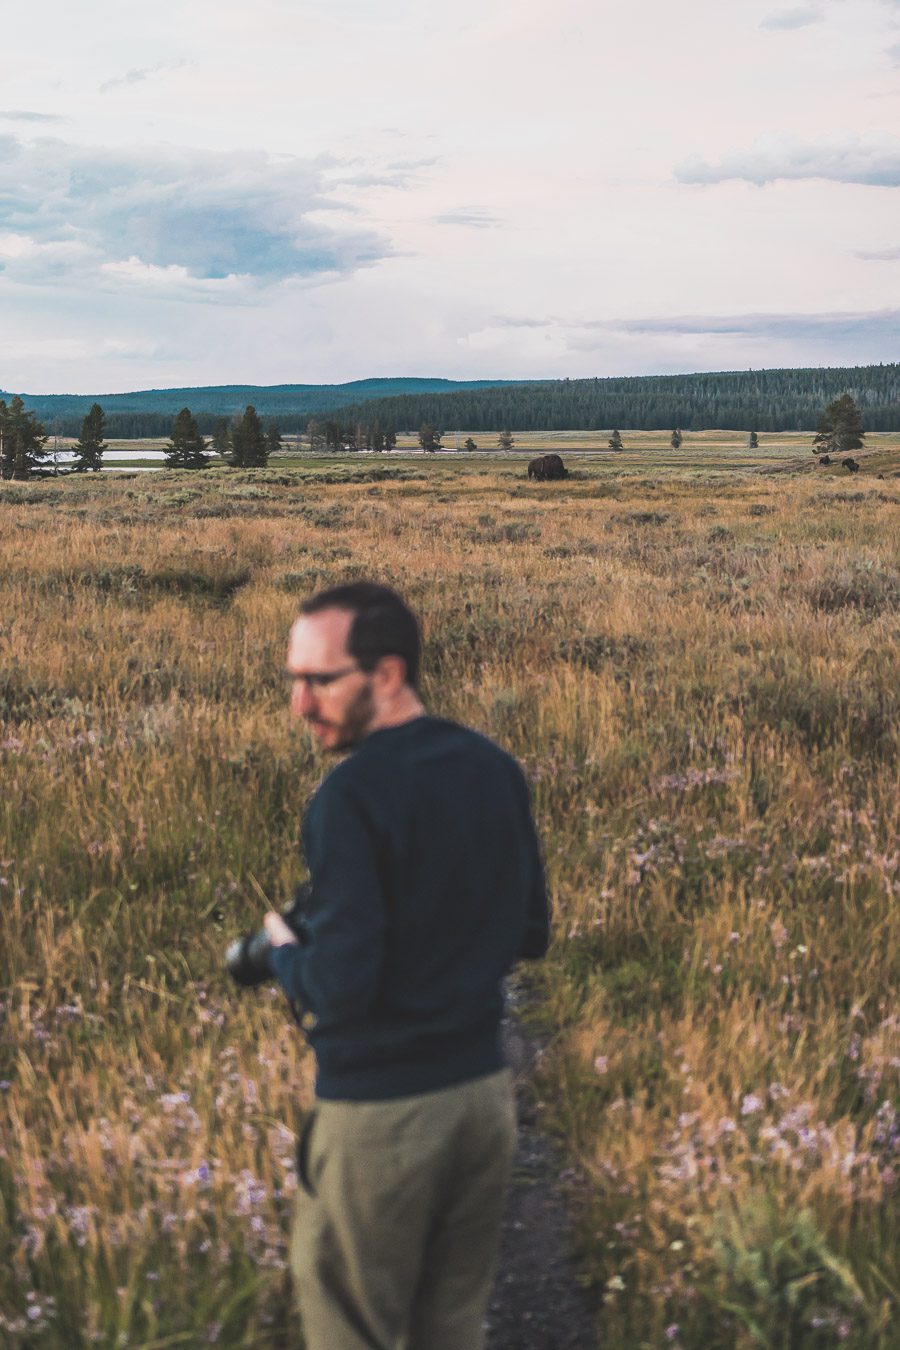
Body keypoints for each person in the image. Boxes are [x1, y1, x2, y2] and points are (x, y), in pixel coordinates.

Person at [263, 581, 550, 1350]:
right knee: (450, 1326)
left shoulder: (348, 798)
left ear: (387, 675)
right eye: (294, 679)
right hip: (482, 1104)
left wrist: (286, 957)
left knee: (352, 1326)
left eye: (320, 680)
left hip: (381, 1116)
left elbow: (342, 991)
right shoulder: (493, 767)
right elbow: (532, 932)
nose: (301, 703)